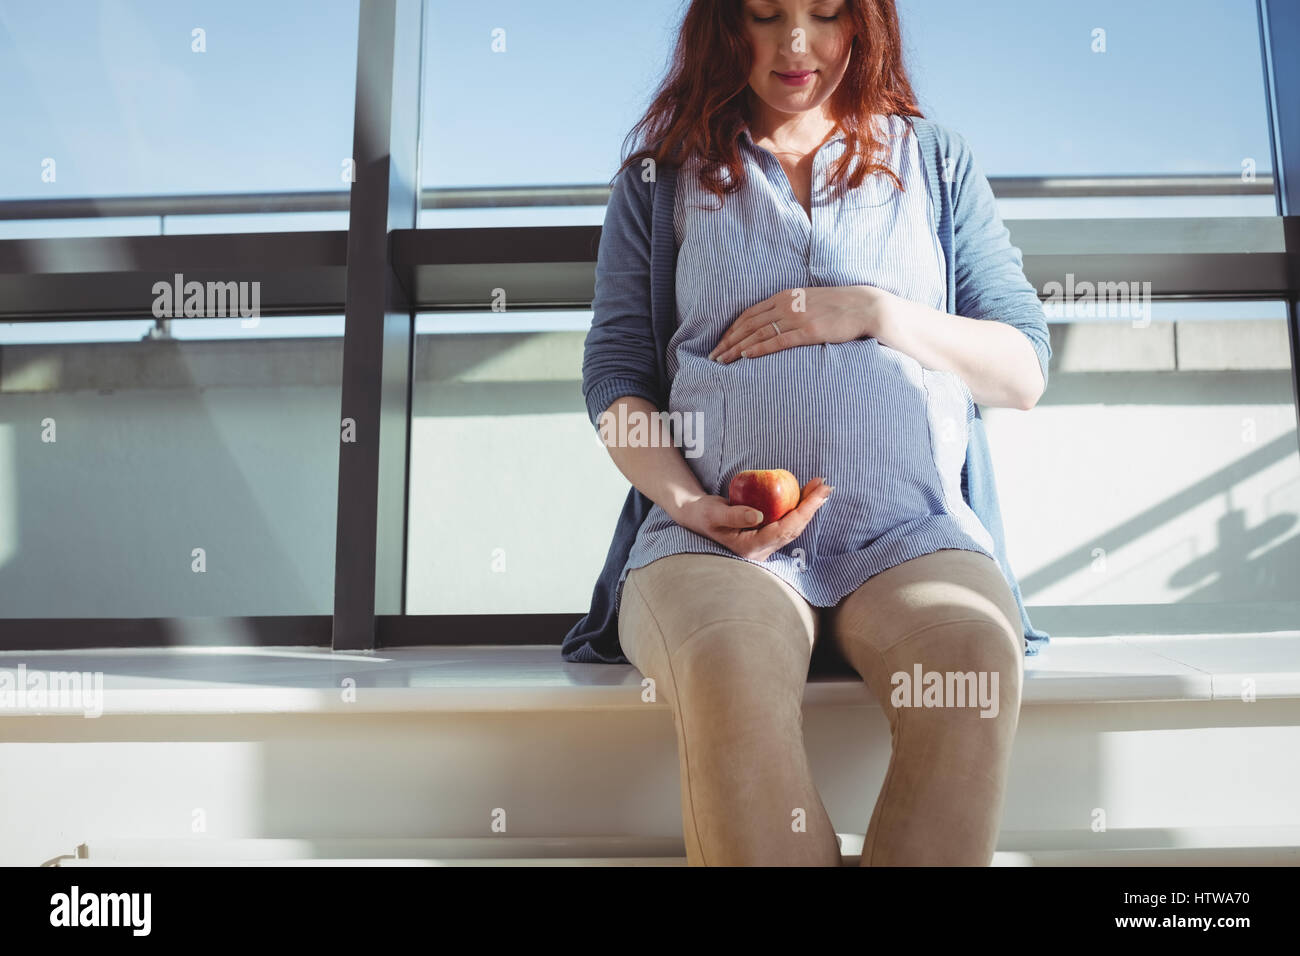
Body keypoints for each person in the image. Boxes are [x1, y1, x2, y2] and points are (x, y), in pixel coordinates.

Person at [587, 0, 1049, 866]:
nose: (796, 44)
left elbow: (1021, 371)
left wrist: (873, 313)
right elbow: (615, 381)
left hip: (909, 532)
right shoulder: (661, 178)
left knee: (974, 665)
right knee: (726, 664)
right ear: (725, 29)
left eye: (826, 14)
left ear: (865, 25)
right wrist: (688, 502)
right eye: (765, 16)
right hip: (717, 548)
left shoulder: (935, 162)